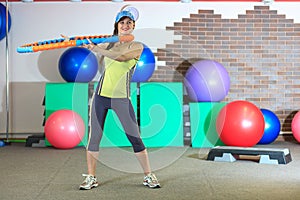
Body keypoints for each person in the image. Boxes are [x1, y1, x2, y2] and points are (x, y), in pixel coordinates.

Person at [79, 9, 161, 190]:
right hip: (101, 96)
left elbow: (121, 57)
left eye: (129, 23)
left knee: (135, 138)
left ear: (133, 26)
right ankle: (91, 177)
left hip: (121, 99)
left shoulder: (136, 46)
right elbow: (101, 54)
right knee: (94, 138)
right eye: (122, 23)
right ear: (117, 25)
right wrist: (87, 46)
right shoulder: (107, 43)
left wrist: (97, 48)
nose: (125, 26)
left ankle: (148, 175)